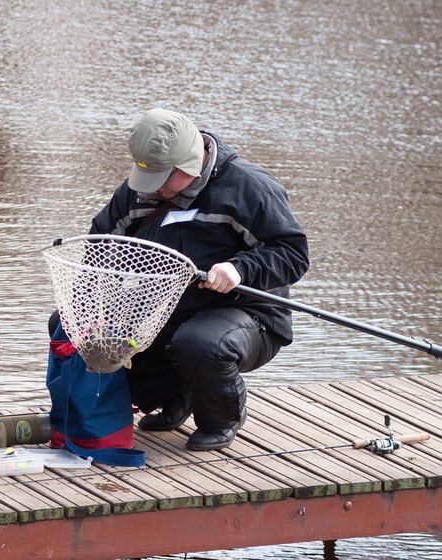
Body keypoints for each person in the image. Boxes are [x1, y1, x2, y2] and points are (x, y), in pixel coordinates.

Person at [89, 108, 309, 450]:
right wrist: (101, 301)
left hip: (249, 314)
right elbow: (102, 243)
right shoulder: (139, 193)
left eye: (164, 178)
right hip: (165, 311)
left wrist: (239, 268)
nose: (156, 188)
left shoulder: (249, 187)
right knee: (83, 331)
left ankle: (222, 418)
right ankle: (179, 395)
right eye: (149, 177)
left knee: (200, 344)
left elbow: (293, 254)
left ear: (189, 163)